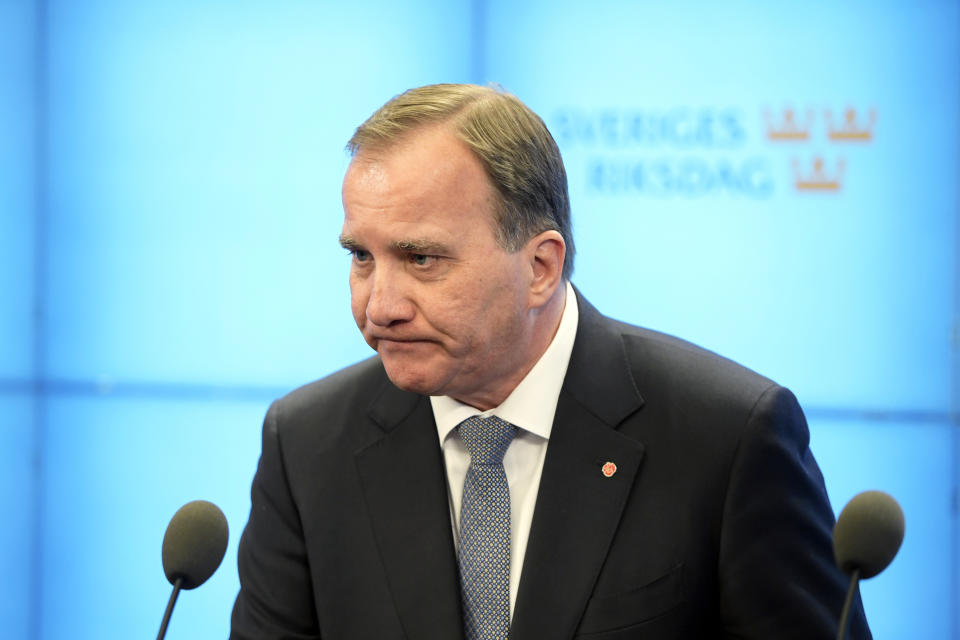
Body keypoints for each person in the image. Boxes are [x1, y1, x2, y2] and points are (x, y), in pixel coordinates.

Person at [230, 84, 870, 639]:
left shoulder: (727, 438)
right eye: (361, 257)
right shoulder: (307, 444)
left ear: (540, 268)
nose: (381, 304)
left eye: (422, 259)